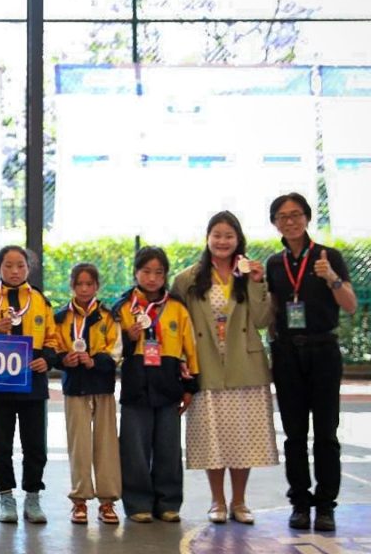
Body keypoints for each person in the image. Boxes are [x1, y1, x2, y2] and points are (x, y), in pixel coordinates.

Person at [172, 211, 278, 525]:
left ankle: (240, 502)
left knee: (243, 439)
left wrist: (258, 284)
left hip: (245, 366)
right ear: (207, 238)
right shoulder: (188, 278)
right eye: (217, 235)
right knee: (211, 438)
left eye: (228, 236)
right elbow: (176, 325)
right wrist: (182, 364)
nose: (222, 241)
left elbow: (261, 320)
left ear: (238, 240)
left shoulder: (250, 274)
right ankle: (217, 501)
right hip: (205, 366)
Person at [265, 192, 357, 532]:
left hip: (323, 350)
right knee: (294, 434)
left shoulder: (327, 256)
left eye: (296, 214)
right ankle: (300, 503)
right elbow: (272, 310)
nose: (290, 221)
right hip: (287, 353)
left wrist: (331, 277)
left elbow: (349, 305)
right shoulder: (275, 264)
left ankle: (326, 505)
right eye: (282, 216)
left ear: (306, 217)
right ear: (275, 222)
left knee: (326, 432)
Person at [113, 246, 199, 524]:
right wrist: (128, 337)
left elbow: (191, 348)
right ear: (136, 272)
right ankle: (138, 503)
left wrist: (190, 386)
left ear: (165, 275)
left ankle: (168, 502)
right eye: (146, 271)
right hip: (136, 385)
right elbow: (110, 349)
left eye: (158, 273)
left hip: (169, 385)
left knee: (168, 447)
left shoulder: (177, 308)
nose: (152, 278)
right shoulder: (122, 307)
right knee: (134, 449)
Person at [0, 246, 58, 524]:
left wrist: (46, 359)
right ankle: (6, 497)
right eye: (8, 266)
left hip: (33, 381)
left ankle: (33, 497)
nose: (14, 271)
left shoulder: (40, 301)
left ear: (28, 268)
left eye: (20, 266)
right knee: (1, 445)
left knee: (35, 444)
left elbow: (53, 339)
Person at [52, 263, 122, 525]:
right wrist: (64, 360)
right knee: (79, 445)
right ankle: (79, 500)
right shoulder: (59, 318)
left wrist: (95, 361)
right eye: (79, 284)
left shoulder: (108, 316)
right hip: (74, 388)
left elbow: (116, 350)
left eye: (89, 284)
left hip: (102, 387)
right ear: (72, 286)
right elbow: (53, 346)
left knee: (106, 445)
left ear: (96, 286)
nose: (84, 289)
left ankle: (108, 501)